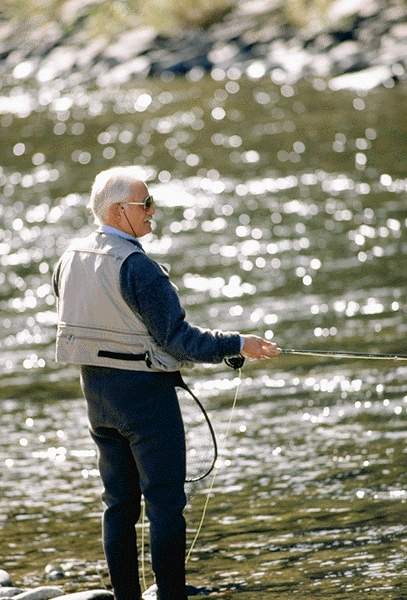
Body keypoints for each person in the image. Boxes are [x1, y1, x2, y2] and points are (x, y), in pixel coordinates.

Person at [52, 166, 281, 600]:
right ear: (119, 211)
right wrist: (239, 343)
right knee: (165, 506)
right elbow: (179, 340)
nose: (153, 212)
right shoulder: (138, 267)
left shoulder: (69, 258)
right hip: (146, 401)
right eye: (146, 204)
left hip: (97, 398)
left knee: (118, 504)